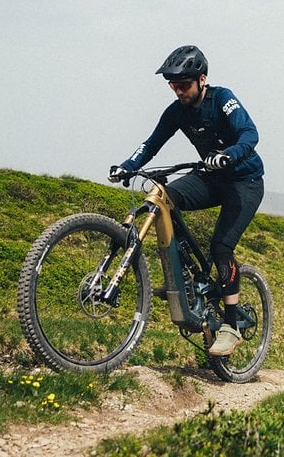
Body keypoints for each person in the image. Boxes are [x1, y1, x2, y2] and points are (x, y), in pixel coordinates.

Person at [109, 45, 264, 357]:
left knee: (221, 248)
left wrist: (228, 155)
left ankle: (231, 326)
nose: (178, 91)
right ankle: (188, 279)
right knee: (166, 198)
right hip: (212, 178)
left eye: (184, 85)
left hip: (244, 182)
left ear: (202, 79)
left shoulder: (223, 99)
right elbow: (151, 143)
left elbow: (250, 134)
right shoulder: (177, 111)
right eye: (173, 85)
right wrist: (127, 164)